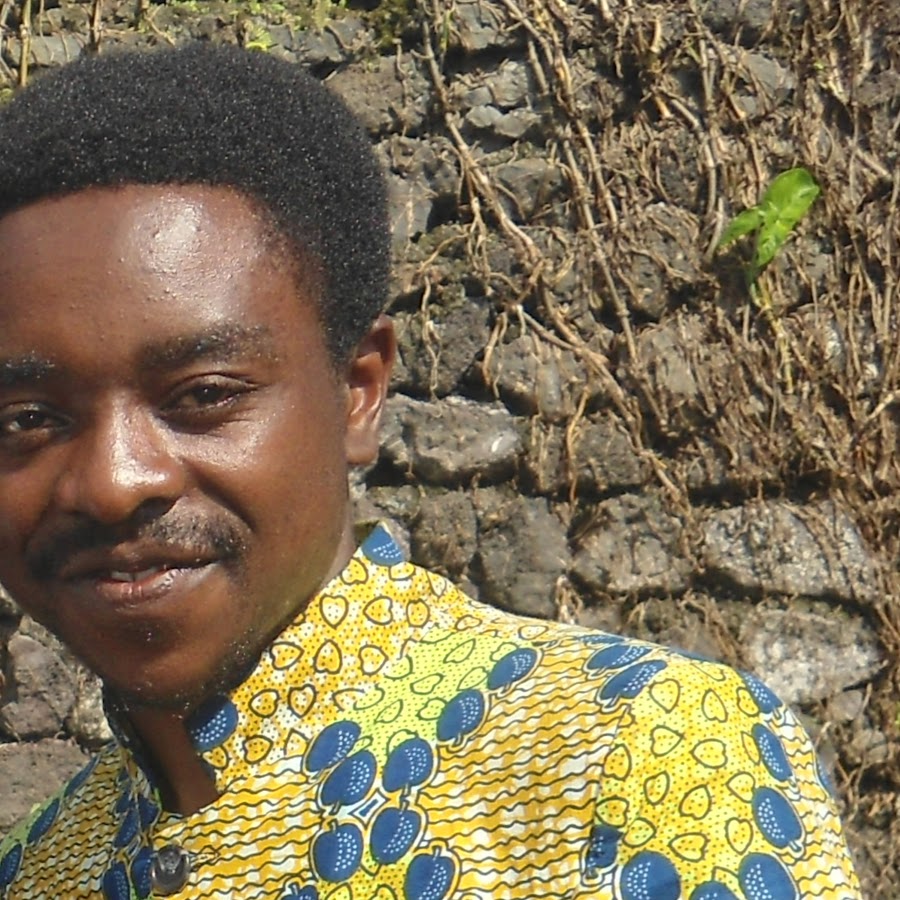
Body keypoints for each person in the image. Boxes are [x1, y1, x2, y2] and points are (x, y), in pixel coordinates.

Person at [0, 43, 860, 900]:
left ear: (358, 393)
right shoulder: (40, 866)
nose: (111, 482)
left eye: (204, 395)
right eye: (28, 419)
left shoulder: (633, 752)